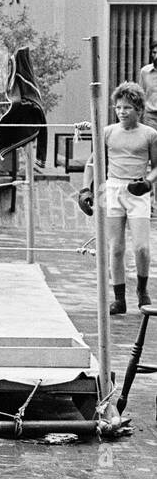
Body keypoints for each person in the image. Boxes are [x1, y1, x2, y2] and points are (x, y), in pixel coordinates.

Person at [77, 82, 157, 315]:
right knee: (115, 247)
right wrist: (85, 190)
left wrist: (147, 183)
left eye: (128, 108)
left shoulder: (150, 134)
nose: (122, 112)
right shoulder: (108, 132)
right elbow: (93, 163)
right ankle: (119, 298)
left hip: (137, 191)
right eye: (118, 107)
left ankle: (142, 290)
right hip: (112, 189)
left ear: (139, 110)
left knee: (141, 247)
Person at [139, 43, 157, 131]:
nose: (156, 56)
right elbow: (141, 93)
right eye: (154, 53)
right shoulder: (145, 71)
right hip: (150, 116)